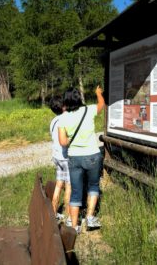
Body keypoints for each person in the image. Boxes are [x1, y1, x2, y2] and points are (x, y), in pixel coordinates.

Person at [58, 86, 105, 234]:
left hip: (74, 157)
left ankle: (74, 226)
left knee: (76, 191)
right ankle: (90, 218)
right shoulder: (88, 110)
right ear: (79, 98)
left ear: (65, 101)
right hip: (92, 155)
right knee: (93, 186)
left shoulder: (63, 118)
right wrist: (98, 93)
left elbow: (63, 142)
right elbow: (101, 106)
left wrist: (72, 138)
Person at [49, 95, 71, 226]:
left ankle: (53, 213)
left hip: (56, 157)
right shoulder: (65, 120)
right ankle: (68, 217)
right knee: (69, 187)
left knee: (58, 185)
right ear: (63, 106)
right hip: (66, 158)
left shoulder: (53, 121)